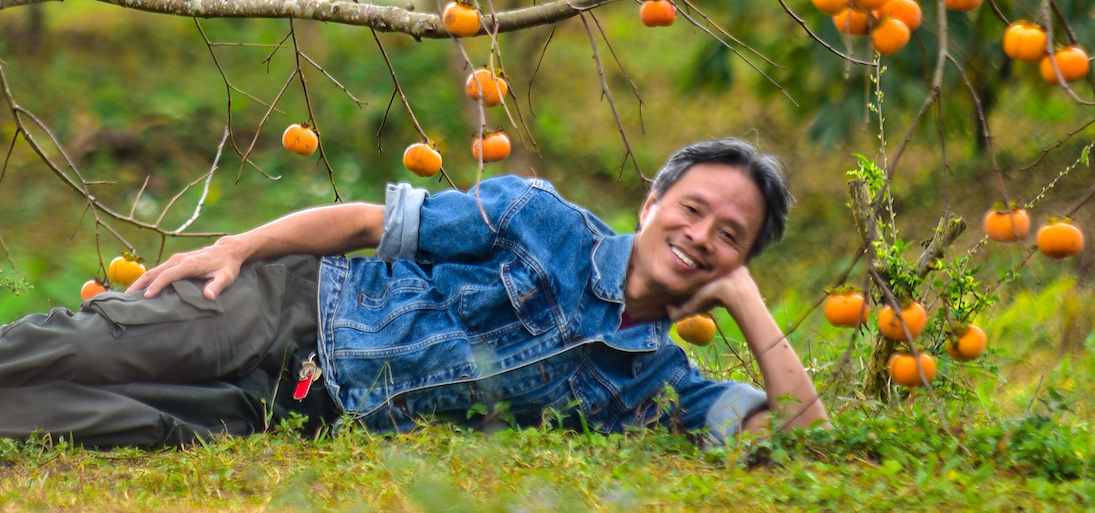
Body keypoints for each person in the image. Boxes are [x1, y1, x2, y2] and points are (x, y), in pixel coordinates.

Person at [0, 137, 828, 448]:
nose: (700, 235)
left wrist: (750, 304)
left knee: (98, 420)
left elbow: (799, 442)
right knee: (88, 348)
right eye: (692, 209)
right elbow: (368, 223)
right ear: (652, 203)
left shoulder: (657, 382)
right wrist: (236, 246)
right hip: (297, 305)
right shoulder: (539, 220)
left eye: (730, 235)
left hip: (307, 412)